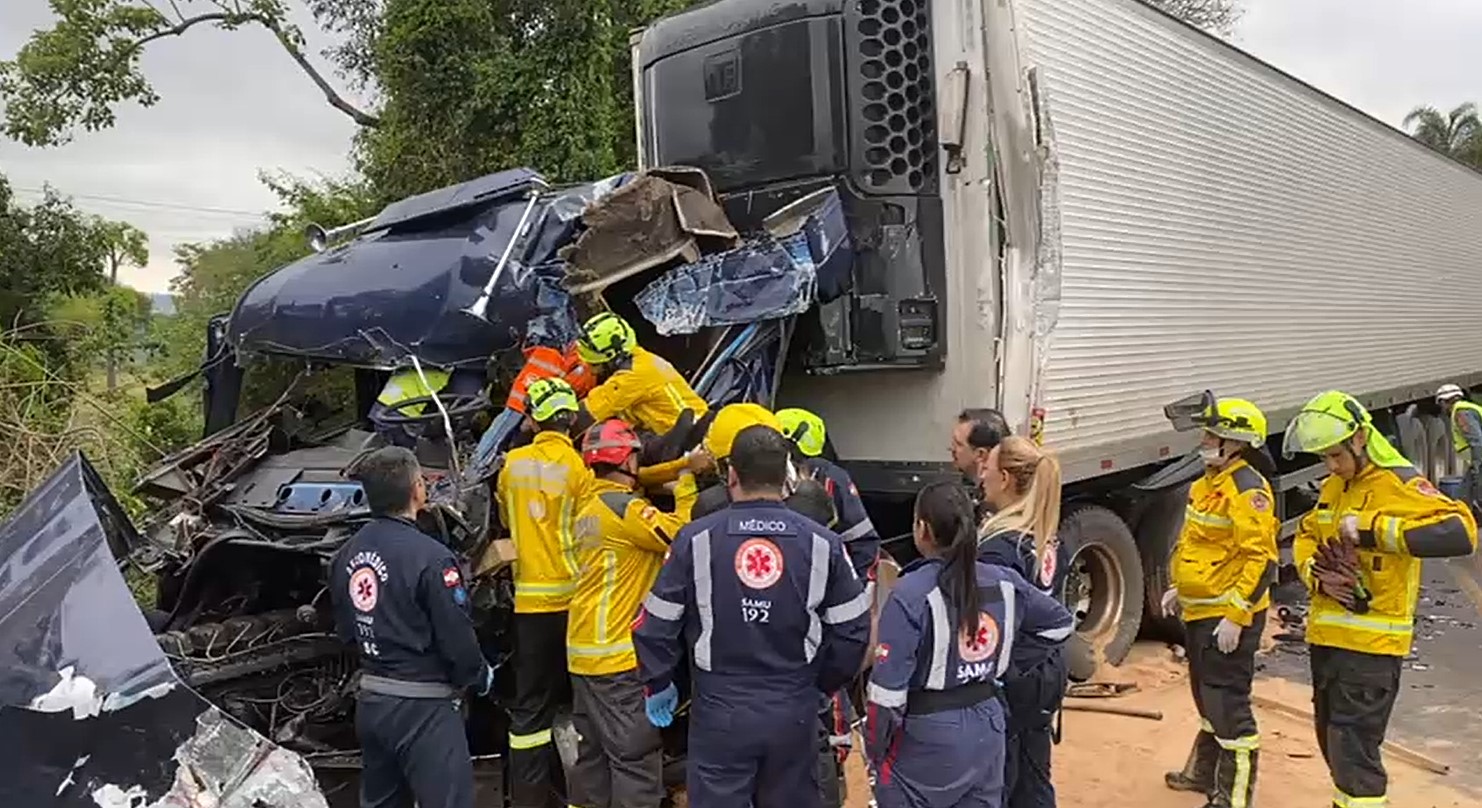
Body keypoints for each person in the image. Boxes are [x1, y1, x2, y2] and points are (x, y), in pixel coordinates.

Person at [632, 425, 872, 808]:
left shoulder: (695, 540)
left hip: (720, 710)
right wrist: (819, 685)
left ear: (731, 476)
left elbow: (655, 624)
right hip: (794, 707)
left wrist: (658, 682)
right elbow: (854, 630)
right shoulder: (823, 543)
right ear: (786, 479)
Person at [1285, 390, 1478, 808]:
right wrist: (1316, 578)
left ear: (1359, 439)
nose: (1330, 466)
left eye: (1336, 455)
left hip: (1371, 651)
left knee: (1355, 760)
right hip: (1329, 643)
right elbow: (1306, 537)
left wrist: (1373, 531)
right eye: (1324, 458)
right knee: (1335, 747)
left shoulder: (1400, 482)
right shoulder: (1336, 487)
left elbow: (1461, 533)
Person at [866, 482, 1073, 808]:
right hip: (988, 724)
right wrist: (1007, 662)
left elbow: (886, 695)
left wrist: (875, 752)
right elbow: (1059, 624)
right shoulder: (1005, 581)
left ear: (923, 529)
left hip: (926, 735)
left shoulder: (910, 592)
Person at [329, 447, 496, 808]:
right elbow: (457, 642)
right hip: (425, 710)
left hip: (372, 703)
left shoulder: (345, 554)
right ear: (417, 489)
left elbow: (345, 632)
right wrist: (479, 676)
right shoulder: (433, 559)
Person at [566, 419, 699, 808]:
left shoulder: (588, 506)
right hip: (618, 654)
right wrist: (688, 484)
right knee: (634, 760)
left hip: (583, 650)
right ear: (625, 460)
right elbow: (681, 536)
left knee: (592, 758)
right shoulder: (626, 509)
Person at [1158, 394, 1279, 808]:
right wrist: (1181, 588)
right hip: (1199, 610)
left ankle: (1232, 798)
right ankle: (1202, 775)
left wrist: (1237, 616)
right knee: (1206, 699)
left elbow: (1261, 562)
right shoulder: (1207, 484)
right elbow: (1198, 545)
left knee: (1231, 711)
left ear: (1235, 442)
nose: (1205, 440)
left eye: (1212, 434)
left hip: (1226, 619)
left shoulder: (1248, 490)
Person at [495, 377, 593, 808]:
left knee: (530, 711)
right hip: (574, 604)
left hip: (529, 605)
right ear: (571, 419)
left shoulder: (511, 465)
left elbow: (502, 517)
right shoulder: (580, 469)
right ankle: (585, 795)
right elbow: (591, 533)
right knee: (583, 703)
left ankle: (529, 798)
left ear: (532, 419)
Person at [974, 436, 1072, 808]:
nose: (981, 475)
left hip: (1015, 676)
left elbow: (993, 625)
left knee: (1002, 781)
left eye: (989, 467)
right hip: (1045, 669)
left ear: (1006, 478)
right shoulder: (1044, 536)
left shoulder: (999, 548)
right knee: (1033, 774)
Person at [575, 311, 709, 440]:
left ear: (613, 358)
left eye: (594, 364)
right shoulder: (642, 359)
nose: (588, 367)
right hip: (687, 431)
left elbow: (587, 413)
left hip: (693, 437)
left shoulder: (633, 376)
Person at [952, 408, 1011, 514]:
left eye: (959, 444)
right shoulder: (977, 487)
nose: (952, 449)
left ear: (980, 454)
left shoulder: (996, 501)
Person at [1435, 383, 1482, 507]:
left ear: (1444, 402)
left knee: (1472, 495)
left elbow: (1477, 441)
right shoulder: (1467, 408)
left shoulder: (1461, 413)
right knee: (1465, 496)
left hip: (1478, 460)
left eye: (1441, 404)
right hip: (1475, 461)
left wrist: (1477, 466)